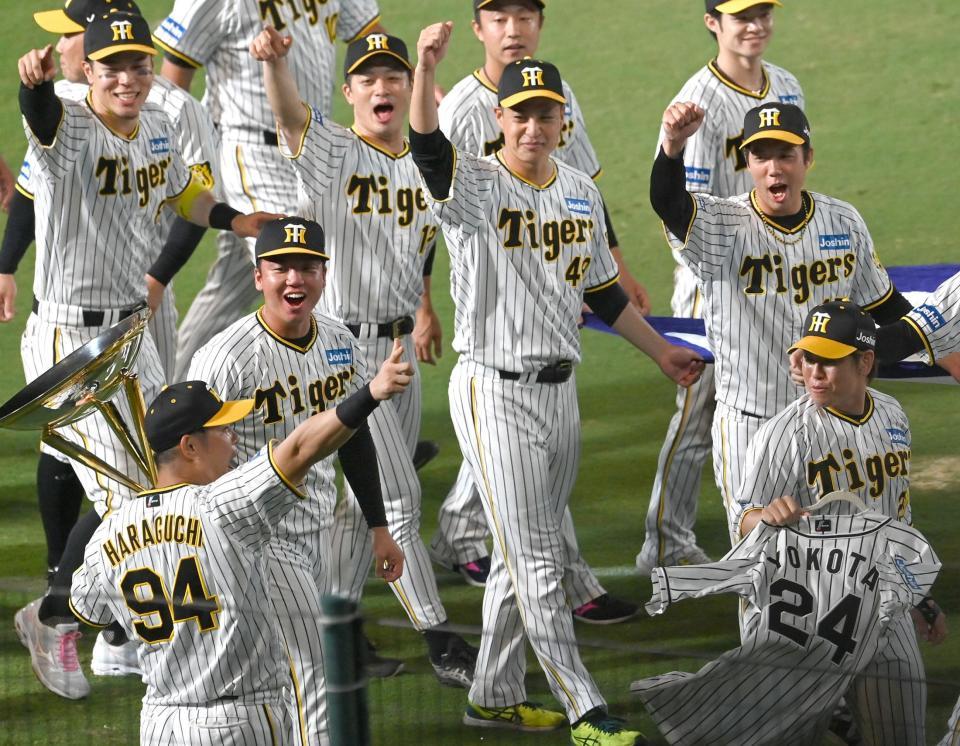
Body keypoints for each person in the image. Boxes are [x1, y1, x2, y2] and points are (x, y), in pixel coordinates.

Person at [410, 21, 703, 743]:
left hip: (559, 392)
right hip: (492, 390)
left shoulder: (577, 191)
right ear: (499, 119)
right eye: (522, 113)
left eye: (547, 113)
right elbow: (424, 146)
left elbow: (604, 295)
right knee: (539, 559)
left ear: (563, 119)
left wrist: (660, 352)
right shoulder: (472, 182)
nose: (535, 125)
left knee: (519, 555)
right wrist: (423, 68)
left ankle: (493, 693)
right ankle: (585, 709)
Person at [11, 12, 277, 700]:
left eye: (135, 66)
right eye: (111, 68)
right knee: (134, 489)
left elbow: (184, 194)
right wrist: (35, 90)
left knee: (177, 464)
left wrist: (231, 218)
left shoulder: (158, 123)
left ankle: (135, 618)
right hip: (70, 344)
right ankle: (55, 616)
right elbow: (40, 121)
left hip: (130, 337)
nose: (126, 79)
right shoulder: (68, 131)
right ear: (89, 73)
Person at [250, 26, 478, 686]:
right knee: (399, 497)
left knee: (359, 508)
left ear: (408, 87)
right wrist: (277, 65)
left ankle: (335, 631)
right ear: (349, 91)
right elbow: (290, 115)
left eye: (394, 77)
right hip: (345, 350)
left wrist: (428, 303)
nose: (383, 86)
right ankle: (440, 639)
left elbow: (422, 239)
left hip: (400, 345)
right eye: (369, 79)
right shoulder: (330, 152)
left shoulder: (426, 160)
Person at [424, 0, 641, 626]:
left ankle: (474, 544)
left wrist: (611, 269)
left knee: (527, 468)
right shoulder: (461, 109)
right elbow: (440, 205)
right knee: (516, 460)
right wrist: (423, 305)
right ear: (479, 29)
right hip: (492, 305)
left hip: (548, 291)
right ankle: (567, 607)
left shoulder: (558, 92)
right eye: (499, 17)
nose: (513, 29)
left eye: (525, 15)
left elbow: (583, 194)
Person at [66, 366, 408, 745]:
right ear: (189, 446)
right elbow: (299, 448)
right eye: (222, 431)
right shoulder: (223, 505)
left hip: (160, 725)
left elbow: (90, 612)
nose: (233, 442)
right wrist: (370, 394)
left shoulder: (106, 536)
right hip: (237, 723)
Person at [651, 100, 913, 541]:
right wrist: (672, 147)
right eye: (761, 156)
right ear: (747, 163)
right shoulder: (723, 225)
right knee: (763, 563)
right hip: (752, 424)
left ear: (807, 158)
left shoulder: (842, 221)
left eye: (786, 155)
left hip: (831, 423)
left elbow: (884, 307)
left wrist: (948, 354)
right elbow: (668, 203)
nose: (774, 169)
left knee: (842, 557)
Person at [187, 216, 405, 744]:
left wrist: (378, 527)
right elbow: (191, 456)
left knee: (275, 675)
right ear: (258, 274)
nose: (295, 280)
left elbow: (352, 436)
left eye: (307, 267)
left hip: (315, 532)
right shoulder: (224, 359)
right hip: (252, 536)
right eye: (281, 266)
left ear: (324, 274)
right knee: (315, 670)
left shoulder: (337, 340)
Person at [637, 0, 805, 574]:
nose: (754, 26)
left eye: (762, 13)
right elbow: (684, 212)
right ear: (713, 23)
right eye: (741, 17)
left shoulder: (786, 84)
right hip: (714, 279)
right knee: (697, 410)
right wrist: (713, 276)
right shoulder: (699, 102)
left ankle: (783, 530)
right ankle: (663, 543)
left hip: (774, 276)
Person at [735, 301, 947, 745]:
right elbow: (745, 521)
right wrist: (766, 518)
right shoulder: (782, 436)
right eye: (809, 358)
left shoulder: (892, 416)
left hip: (882, 608)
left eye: (829, 361)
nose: (814, 372)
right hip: (802, 614)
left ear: (865, 361)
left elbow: (896, 518)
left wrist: (919, 596)